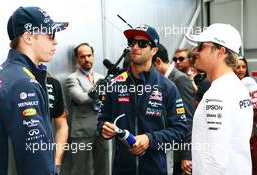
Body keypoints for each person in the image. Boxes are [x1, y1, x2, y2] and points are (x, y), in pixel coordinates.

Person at [97, 24, 188, 175]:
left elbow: (180, 129)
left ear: (154, 50)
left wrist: (149, 139)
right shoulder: (114, 84)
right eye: (132, 42)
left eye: (142, 43)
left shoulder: (167, 87)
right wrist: (103, 129)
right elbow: (102, 120)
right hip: (122, 169)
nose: (135, 47)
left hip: (155, 168)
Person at [0, 6, 68, 175]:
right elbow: (34, 154)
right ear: (28, 37)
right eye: (50, 34)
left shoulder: (3, 73)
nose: (55, 41)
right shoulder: (23, 83)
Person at [186, 23, 253, 175]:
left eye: (201, 46)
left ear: (220, 52)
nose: (195, 51)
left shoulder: (218, 94)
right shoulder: (237, 87)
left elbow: (214, 159)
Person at [65, 43, 109, 175]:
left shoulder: (101, 78)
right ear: (77, 59)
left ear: (93, 56)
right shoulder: (72, 78)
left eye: (89, 55)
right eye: (82, 56)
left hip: (102, 129)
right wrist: (98, 89)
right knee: (79, 169)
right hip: (82, 132)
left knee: (104, 168)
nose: (87, 59)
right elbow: (81, 99)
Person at [152, 43, 195, 175]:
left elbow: (187, 118)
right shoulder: (161, 80)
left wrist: (186, 155)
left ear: (158, 61)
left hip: (177, 153)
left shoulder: (179, 79)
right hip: (165, 149)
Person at [234, 57, 257, 175]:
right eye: (238, 67)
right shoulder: (229, 86)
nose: (241, 70)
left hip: (252, 135)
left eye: (243, 67)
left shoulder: (251, 84)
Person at [46, 74, 69, 175]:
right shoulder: (11, 79)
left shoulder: (52, 83)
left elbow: (62, 126)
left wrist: (57, 162)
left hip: (45, 153)